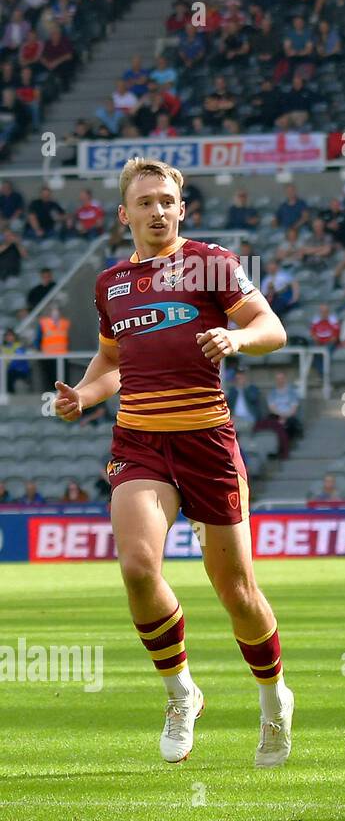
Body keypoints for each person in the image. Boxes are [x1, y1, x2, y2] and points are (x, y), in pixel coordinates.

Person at [54, 158, 294, 768]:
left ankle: (273, 703)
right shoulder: (110, 284)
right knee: (137, 567)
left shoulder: (212, 262)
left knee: (235, 591)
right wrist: (82, 396)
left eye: (167, 201)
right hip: (139, 443)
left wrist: (236, 338)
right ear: (124, 213)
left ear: (181, 209)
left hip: (207, 442)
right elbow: (110, 364)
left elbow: (273, 327)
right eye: (146, 202)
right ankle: (181, 692)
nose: (157, 211)